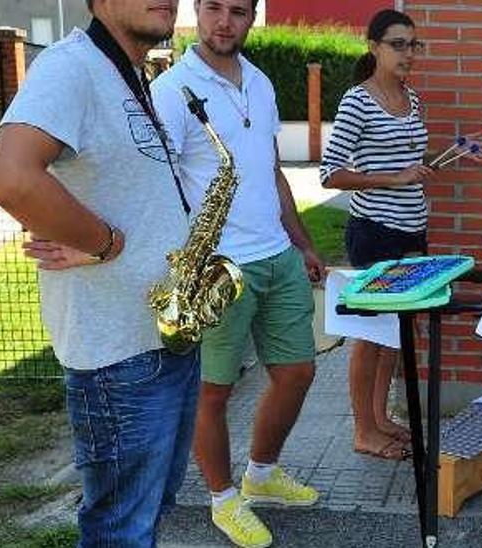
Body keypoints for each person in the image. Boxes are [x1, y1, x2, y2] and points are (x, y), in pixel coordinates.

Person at [0, 0, 197, 545]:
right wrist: (104, 242)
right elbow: (9, 175)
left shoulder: (129, 74)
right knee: (119, 531)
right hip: (118, 357)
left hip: (163, 338)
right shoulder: (70, 66)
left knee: (146, 515)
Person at [150, 0, 324, 546]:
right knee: (212, 393)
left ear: (252, 18)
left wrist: (302, 241)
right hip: (217, 268)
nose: (224, 22)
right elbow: (160, 185)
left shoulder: (262, 81)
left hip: (275, 255)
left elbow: (269, 168)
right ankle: (223, 501)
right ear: (196, 13)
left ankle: (262, 475)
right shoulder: (172, 89)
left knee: (297, 373)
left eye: (239, 11)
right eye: (214, 8)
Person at [318, 9, 434, 461]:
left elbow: (409, 160)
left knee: (395, 333)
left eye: (413, 44)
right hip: (375, 234)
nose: (408, 53)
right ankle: (363, 430)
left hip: (412, 231)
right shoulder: (357, 101)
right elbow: (330, 174)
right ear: (374, 47)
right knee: (370, 335)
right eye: (398, 44)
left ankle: (382, 417)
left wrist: (432, 165)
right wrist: (393, 178)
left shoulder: (413, 98)